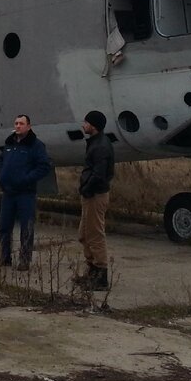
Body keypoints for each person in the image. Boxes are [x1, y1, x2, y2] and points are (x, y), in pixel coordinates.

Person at [0, 114, 52, 271]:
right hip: (8, 193)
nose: (18, 126)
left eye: (21, 123)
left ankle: (24, 260)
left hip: (25, 193)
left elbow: (44, 166)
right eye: (16, 123)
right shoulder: (10, 143)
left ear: (29, 126)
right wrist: (0, 176)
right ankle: (3, 257)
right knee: (4, 226)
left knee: (26, 227)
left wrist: (27, 179)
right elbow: (2, 160)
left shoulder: (36, 145)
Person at [76, 112, 115, 290]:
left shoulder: (100, 147)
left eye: (86, 122)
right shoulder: (95, 143)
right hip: (90, 194)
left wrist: (87, 188)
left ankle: (101, 275)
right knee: (84, 234)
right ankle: (91, 270)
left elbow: (99, 174)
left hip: (95, 195)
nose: (84, 125)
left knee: (95, 234)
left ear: (94, 125)